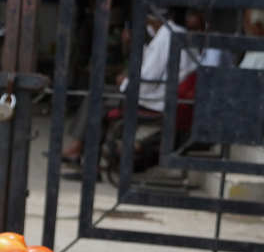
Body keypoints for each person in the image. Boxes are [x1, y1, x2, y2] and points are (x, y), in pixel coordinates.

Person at [62, 9, 193, 162]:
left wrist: (124, 82)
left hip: (157, 101)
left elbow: (146, 83)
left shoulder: (164, 38)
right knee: (99, 96)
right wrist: (134, 47)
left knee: (97, 98)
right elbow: (153, 67)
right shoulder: (175, 32)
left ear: (147, 20)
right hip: (165, 96)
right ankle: (79, 151)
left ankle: (78, 151)